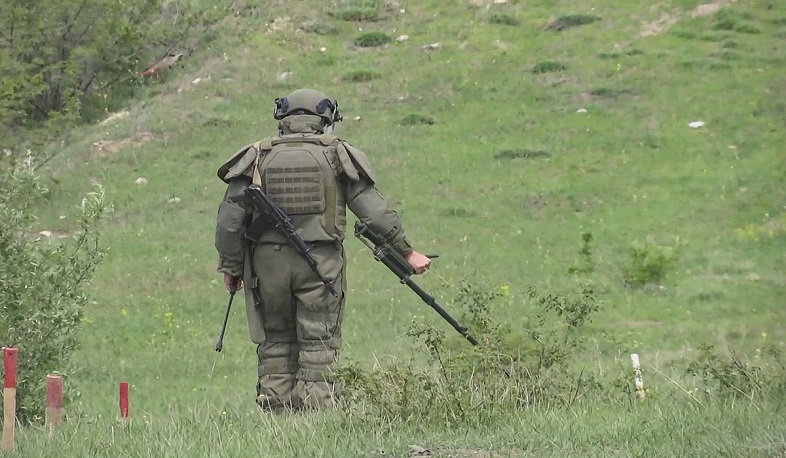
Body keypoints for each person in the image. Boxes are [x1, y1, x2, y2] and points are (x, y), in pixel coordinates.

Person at [214, 88, 432, 412]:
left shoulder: (256, 156)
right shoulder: (336, 154)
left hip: (267, 265)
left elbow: (230, 221)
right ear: (325, 119)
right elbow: (374, 212)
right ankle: (317, 415)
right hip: (320, 262)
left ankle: (277, 415)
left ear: (283, 119)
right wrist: (407, 252)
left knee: (275, 339)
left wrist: (232, 267)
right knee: (318, 339)